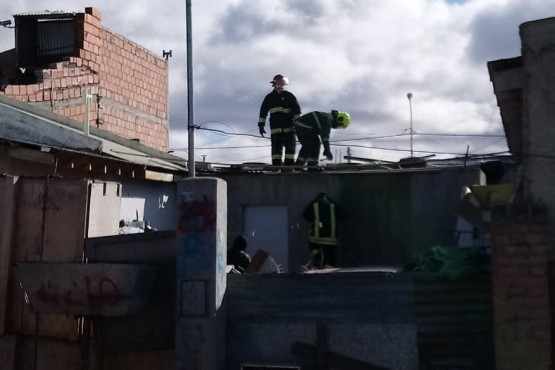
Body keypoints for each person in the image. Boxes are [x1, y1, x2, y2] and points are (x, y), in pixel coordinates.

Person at [258, 74, 302, 166]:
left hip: (289, 128)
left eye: (282, 84)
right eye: (279, 84)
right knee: (276, 151)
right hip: (276, 129)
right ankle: (276, 167)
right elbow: (263, 112)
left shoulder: (290, 96)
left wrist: (298, 126)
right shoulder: (269, 97)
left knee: (290, 150)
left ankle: (289, 168)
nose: (280, 86)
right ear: (274, 85)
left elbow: (297, 112)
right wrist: (261, 125)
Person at [303, 193, 346, 269]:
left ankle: (316, 261)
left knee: (314, 248)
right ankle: (328, 268)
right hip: (331, 239)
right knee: (329, 259)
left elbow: (306, 216)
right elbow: (343, 215)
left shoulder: (314, 204)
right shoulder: (333, 205)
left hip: (316, 238)